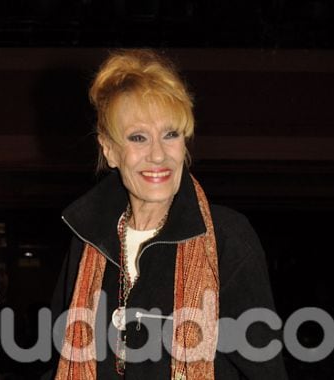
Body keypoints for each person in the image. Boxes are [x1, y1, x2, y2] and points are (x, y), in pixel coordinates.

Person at [50, 49, 288, 379]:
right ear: (110, 150)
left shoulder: (225, 237)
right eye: (138, 137)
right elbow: (59, 358)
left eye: (170, 134)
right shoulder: (87, 239)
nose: (158, 154)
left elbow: (263, 371)